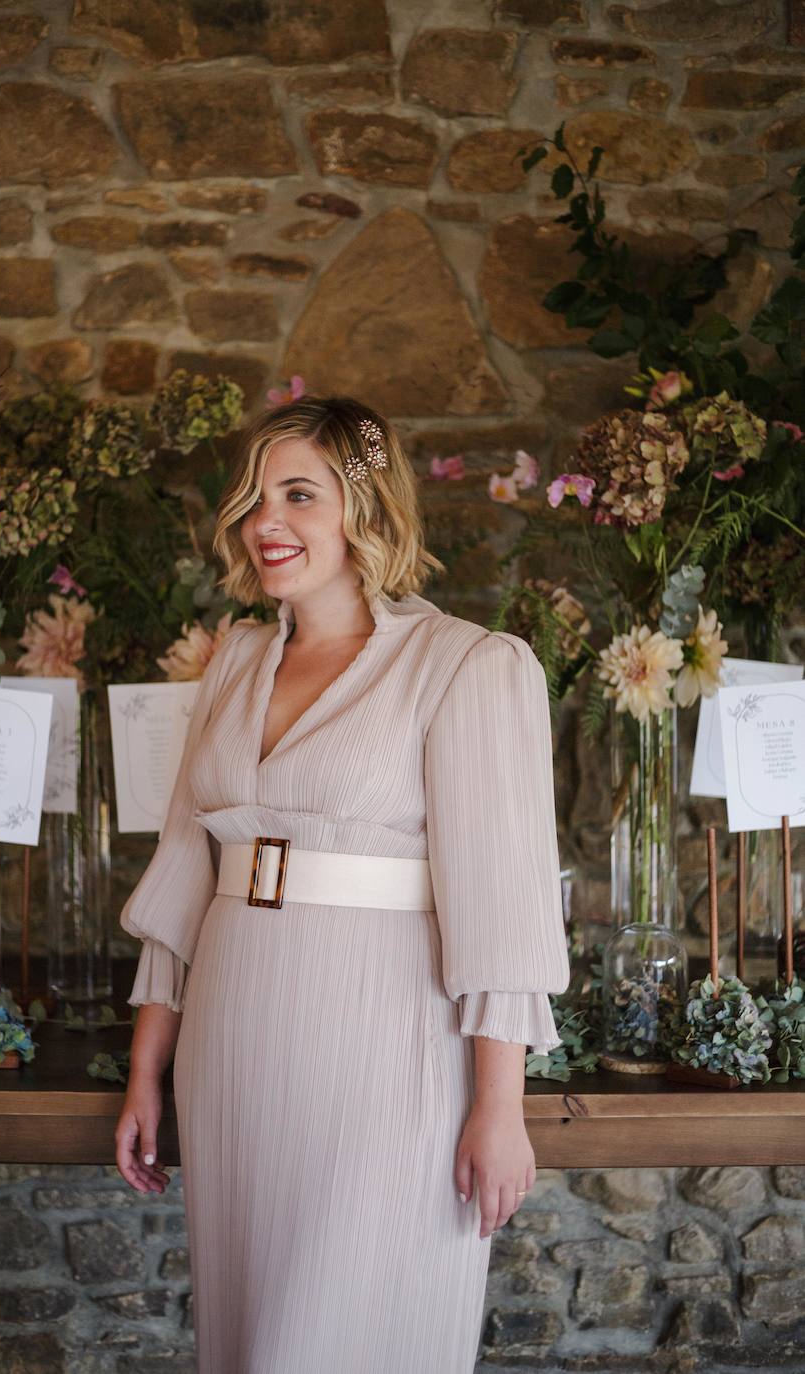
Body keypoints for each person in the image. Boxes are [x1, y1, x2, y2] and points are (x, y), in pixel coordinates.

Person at [114, 395, 571, 1373]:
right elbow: (182, 879)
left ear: (366, 509)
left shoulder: (468, 665)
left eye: (297, 495)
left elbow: (500, 902)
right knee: (247, 1338)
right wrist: (147, 1068)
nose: (264, 523)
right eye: (253, 499)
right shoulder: (232, 662)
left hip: (383, 1053)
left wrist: (501, 1105)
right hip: (230, 1048)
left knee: (344, 1328)